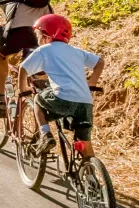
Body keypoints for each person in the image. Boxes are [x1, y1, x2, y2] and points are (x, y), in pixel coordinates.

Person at [17, 14, 104, 157]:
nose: (38, 40)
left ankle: (46, 135)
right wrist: (92, 82)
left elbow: (23, 68)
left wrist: (23, 89)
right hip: (85, 102)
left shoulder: (44, 50)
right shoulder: (76, 51)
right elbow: (100, 62)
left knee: (38, 99)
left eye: (39, 35)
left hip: (62, 97)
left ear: (47, 37)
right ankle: (90, 171)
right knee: (85, 142)